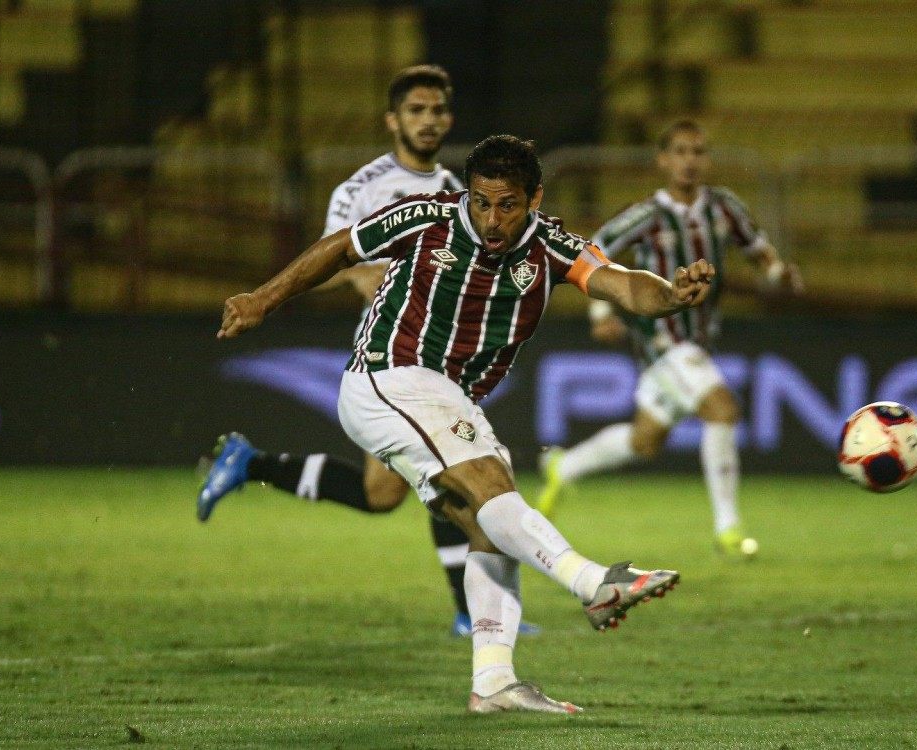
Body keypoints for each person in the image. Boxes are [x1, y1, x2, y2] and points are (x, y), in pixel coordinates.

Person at [215, 134, 715, 713]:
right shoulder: (427, 220)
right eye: (481, 202)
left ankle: (493, 682)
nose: (492, 219)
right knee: (493, 488)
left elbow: (623, 283)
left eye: (507, 204)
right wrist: (263, 298)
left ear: (534, 199)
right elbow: (340, 249)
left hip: (446, 394)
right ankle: (593, 582)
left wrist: (672, 296)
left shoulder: (549, 245)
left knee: (489, 521)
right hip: (390, 374)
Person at [196, 65, 534, 637]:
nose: (428, 121)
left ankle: (249, 463)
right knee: (450, 467)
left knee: (386, 492)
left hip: (442, 354)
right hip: (389, 353)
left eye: (437, 111)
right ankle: (472, 612)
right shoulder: (361, 189)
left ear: (449, 119)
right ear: (392, 120)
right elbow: (331, 262)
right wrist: (372, 278)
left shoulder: (462, 192)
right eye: (416, 111)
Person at [535, 119, 803, 559]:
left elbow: (757, 249)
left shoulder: (725, 208)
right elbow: (595, 248)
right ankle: (728, 527)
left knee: (645, 442)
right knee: (722, 409)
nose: (689, 161)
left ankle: (564, 467)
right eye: (679, 151)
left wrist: (777, 273)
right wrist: (601, 308)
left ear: (707, 159)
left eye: (697, 152)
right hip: (661, 338)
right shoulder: (647, 216)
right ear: (663, 160)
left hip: (698, 340)